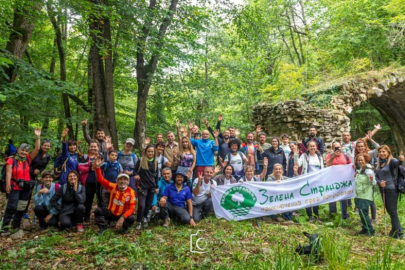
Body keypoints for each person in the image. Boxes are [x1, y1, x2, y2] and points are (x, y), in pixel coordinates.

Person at [1, 128, 41, 235]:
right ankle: (4, 227)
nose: (24, 152)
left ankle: (16, 225)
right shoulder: (11, 160)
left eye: (26, 151)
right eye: (22, 150)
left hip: (26, 186)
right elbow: (9, 173)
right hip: (14, 186)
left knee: (22, 207)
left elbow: (37, 149)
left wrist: (37, 137)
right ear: (18, 150)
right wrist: (8, 185)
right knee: (11, 206)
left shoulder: (27, 159)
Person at [93, 154, 136, 234]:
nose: (122, 181)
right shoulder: (113, 187)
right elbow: (101, 180)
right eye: (120, 179)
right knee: (98, 210)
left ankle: (124, 228)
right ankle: (103, 228)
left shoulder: (131, 192)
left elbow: (132, 208)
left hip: (122, 214)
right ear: (117, 181)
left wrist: (123, 217)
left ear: (128, 182)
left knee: (132, 218)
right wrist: (98, 167)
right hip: (111, 213)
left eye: (125, 180)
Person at [375, 145, 404, 239]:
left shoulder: (392, 161)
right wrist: (380, 183)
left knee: (392, 212)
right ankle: (398, 230)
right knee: (390, 211)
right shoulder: (379, 164)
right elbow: (376, 177)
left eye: (384, 151)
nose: (382, 153)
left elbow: (398, 163)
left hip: (391, 190)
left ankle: (397, 233)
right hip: (383, 190)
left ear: (388, 152)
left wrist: (401, 160)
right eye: (380, 152)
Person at [294, 141, 324, 222]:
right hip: (307, 181)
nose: (312, 148)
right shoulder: (304, 156)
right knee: (308, 198)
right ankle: (310, 216)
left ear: (316, 147)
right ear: (308, 147)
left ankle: (316, 216)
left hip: (317, 181)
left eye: (313, 146)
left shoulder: (319, 156)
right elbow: (298, 164)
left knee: (316, 199)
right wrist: (296, 156)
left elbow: (322, 168)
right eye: (310, 146)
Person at [134, 145, 159, 230]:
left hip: (151, 187)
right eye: (149, 151)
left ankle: (145, 218)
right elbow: (135, 170)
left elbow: (157, 176)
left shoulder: (155, 162)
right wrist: (136, 175)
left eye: (152, 151)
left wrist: (156, 186)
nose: (150, 153)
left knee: (148, 204)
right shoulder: (141, 160)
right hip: (142, 186)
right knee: (141, 205)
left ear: (154, 152)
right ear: (146, 152)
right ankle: (138, 221)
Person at [325, 142, 352, 219]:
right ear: (333, 148)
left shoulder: (346, 156)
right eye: (335, 147)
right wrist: (334, 157)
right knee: (333, 197)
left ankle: (345, 214)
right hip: (332, 180)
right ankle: (333, 214)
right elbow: (327, 164)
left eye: (339, 147)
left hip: (343, 180)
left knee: (344, 197)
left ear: (341, 147)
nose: (337, 149)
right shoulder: (329, 156)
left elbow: (350, 165)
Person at [78, 139, 102, 222]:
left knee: (100, 199)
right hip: (88, 181)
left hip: (99, 182)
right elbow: (80, 167)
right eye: (91, 146)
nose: (93, 148)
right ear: (89, 147)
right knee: (88, 200)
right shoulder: (84, 157)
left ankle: (99, 217)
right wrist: (90, 168)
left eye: (95, 147)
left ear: (98, 148)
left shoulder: (101, 156)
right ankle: (86, 216)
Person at [355, 153, 376, 236]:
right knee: (361, 212)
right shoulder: (360, 170)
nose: (360, 162)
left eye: (362, 160)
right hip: (360, 194)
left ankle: (370, 230)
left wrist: (371, 179)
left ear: (365, 160)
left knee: (363, 213)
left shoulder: (368, 170)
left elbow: (373, 183)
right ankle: (364, 228)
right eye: (359, 160)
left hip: (365, 195)